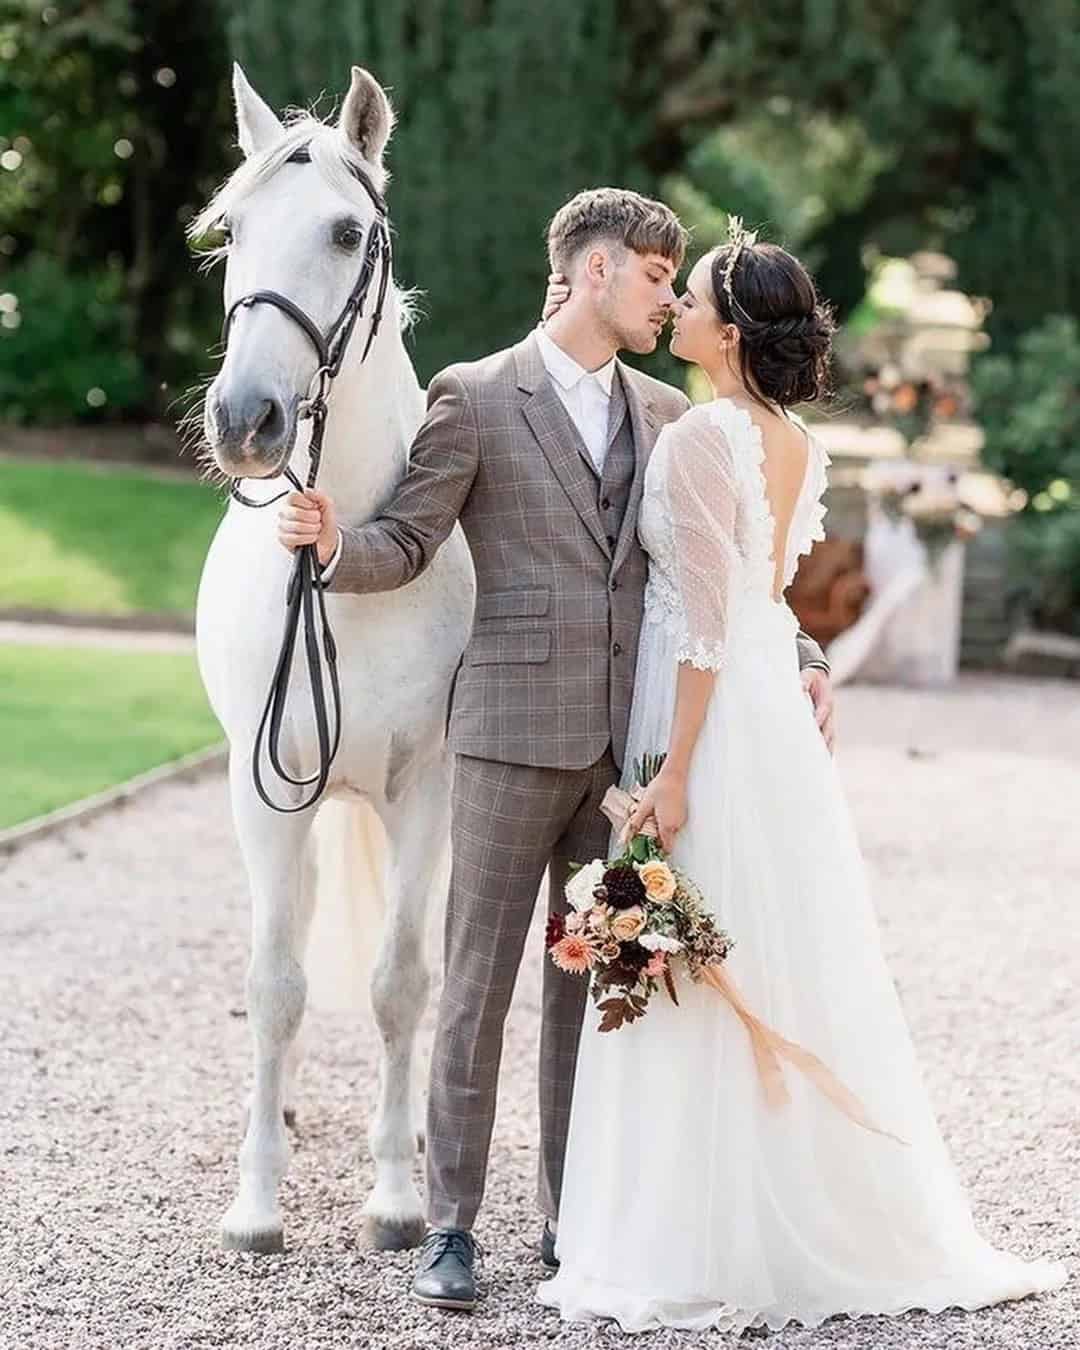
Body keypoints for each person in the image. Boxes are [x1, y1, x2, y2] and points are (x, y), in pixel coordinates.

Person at [275, 189, 834, 1311]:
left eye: (679, 281)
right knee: (476, 984)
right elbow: (409, 538)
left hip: (625, 758)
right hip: (504, 739)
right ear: (593, 271)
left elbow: (731, 566)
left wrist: (806, 652)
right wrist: (335, 544)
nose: (670, 295)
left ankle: (572, 1223)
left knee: (599, 989)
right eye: (655, 276)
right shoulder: (474, 398)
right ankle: (450, 1227)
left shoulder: (673, 412)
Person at [533, 222, 1067, 1333]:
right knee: (775, 951)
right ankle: (787, 1208)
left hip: (714, 722)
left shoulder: (695, 440)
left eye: (695, 299)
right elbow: (764, 604)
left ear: (727, 334)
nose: (673, 306)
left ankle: (696, 1235)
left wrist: (670, 776)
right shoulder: (792, 442)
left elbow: (707, 626)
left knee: (696, 957)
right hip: (770, 715)